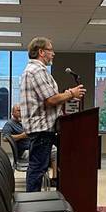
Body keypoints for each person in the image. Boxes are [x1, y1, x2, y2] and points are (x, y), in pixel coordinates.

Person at [19, 36, 85, 192]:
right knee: (37, 168)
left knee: (38, 167)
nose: (53, 53)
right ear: (41, 52)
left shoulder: (35, 70)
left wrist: (67, 95)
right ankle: (31, 204)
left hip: (42, 128)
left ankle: (32, 201)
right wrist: (71, 93)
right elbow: (50, 100)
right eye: (50, 50)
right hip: (41, 128)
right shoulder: (36, 70)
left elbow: (49, 99)